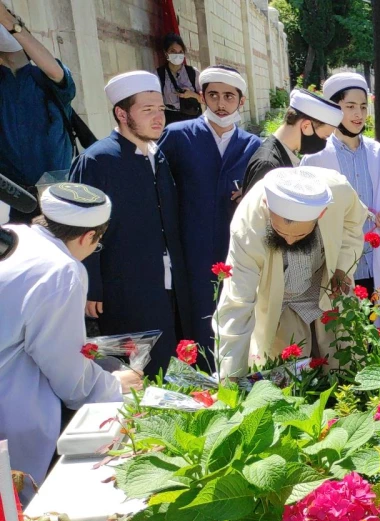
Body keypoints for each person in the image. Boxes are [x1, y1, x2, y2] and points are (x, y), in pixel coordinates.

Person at [0, 185, 143, 498]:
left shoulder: (15, 234)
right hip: (11, 409)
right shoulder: (61, 269)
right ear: (87, 237)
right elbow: (65, 368)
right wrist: (114, 384)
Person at [70, 71, 192, 378]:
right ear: (122, 114)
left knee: (170, 362)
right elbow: (79, 229)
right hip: (122, 286)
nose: (158, 118)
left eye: (161, 109)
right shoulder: (97, 161)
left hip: (167, 283)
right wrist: (91, 286)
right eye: (147, 110)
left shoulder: (158, 155)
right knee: (136, 370)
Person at [214, 167, 366, 377]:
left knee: (343, 366)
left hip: (323, 284)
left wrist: (342, 266)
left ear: (321, 214)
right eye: (280, 232)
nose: (290, 240)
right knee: (288, 377)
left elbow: (353, 222)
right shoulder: (247, 227)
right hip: (280, 299)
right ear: (268, 206)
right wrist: (230, 377)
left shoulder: (338, 191)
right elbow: (237, 303)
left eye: (301, 234)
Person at [159, 65, 262, 353]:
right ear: (202, 97)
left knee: (234, 314)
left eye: (229, 96)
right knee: (193, 315)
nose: (220, 103)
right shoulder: (178, 136)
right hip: (189, 246)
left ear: (241, 101)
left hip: (235, 247)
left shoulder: (253, 146)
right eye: (213, 95)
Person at [302, 72, 380, 310]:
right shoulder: (316, 157)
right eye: (350, 106)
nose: (359, 114)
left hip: (373, 259)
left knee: (378, 328)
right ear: (333, 108)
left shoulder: (377, 152)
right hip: (336, 263)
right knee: (341, 334)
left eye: (363, 106)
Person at [0, 4, 77, 201]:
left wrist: (9, 21)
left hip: (56, 195)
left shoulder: (45, 77)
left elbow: (56, 72)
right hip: (13, 198)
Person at [242, 89, 343, 193]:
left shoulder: (283, 154)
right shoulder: (268, 165)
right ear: (306, 126)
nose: (324, 142)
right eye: (325, 137)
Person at [156, 34, 201, 125]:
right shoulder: (159, 74)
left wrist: (192, 95)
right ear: (166, 53)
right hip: (170, 118)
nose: (177, 55)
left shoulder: (193, 73)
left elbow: (205, 99)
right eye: (173, 51)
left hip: (191, 117)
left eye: (180, 52)